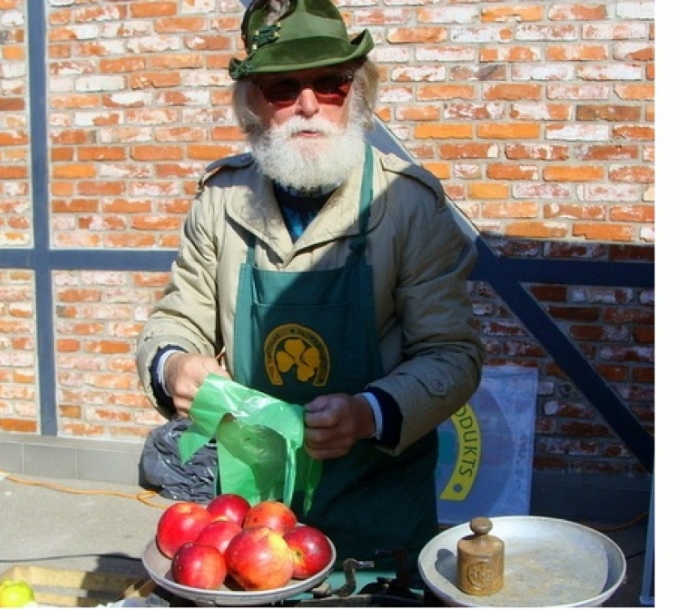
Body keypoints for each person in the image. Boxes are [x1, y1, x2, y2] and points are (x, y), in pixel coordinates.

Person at [136, 0, 484, 570]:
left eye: (330, 84)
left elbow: (453, 355)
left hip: (378, 501)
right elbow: (177, 317)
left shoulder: (408, 206)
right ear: (254, 104)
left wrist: (369, 412)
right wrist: (172, 363)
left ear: (358, 94)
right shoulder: (221, 200)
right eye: (282, 88)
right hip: (251, 504)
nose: (307, 106)